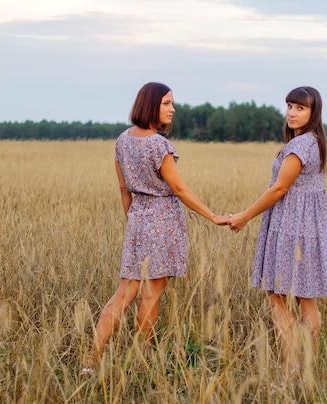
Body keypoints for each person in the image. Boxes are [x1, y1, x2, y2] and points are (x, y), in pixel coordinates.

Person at [83, 82, 229, 372]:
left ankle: (91, 359)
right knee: (151, 296)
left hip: (137, 219)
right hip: (163, 221)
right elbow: (179, 189)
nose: (172, 109)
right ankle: (140, 362)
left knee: (123, 293)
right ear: (151, 105)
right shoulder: (159, 145)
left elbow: (124, 188)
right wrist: (213, 216)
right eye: (166, 103)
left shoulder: (122, 141)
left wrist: (135, 219)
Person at [227, 86, 327, 371]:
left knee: (277, 295)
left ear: (313, 113)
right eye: (289, 106)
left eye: (300, 108)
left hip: (289, 227)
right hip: (309, 228)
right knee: (305, 297)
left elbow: (279, 189)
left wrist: (244, 216)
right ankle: (306, 366)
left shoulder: (299, 146)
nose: (292, 113)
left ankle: (291, 366)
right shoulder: (314, 142)